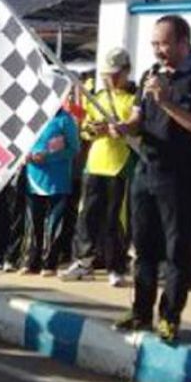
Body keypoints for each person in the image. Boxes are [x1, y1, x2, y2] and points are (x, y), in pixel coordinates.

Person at [113, 16, 191, 344]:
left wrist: (166, 102)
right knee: (143, 247)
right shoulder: (150, 75)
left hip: (180, 178)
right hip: (146, 170)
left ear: (184, 43)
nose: (159, 51)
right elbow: (138, 118)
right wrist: (124, 127)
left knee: (176, 251)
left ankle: (169, 316)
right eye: (155, 44)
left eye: (165, 44)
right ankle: (141, 311)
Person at [60, 48, 136, 287]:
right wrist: (94, 129)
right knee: (88, 215)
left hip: (120, 165)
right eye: (107, 75)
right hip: (95, 163)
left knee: (116, 218)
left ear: (126, 71)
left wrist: (121, 129)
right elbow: (86, 128)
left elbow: (137, 129)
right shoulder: (97, 96)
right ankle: (83, 261)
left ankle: (117, 266)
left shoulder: (133, 98)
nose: (111, 79)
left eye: (116, 74)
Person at [21, 108, 80, 276]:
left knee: (54, 224)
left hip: (58, 180)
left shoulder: (64, 119)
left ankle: (50, 263)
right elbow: (20, 142)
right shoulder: (31, 113)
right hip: (33, 178)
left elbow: (74, 148)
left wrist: (48, 156)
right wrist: (25, 156)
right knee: (34, 222)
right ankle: (32, 262)